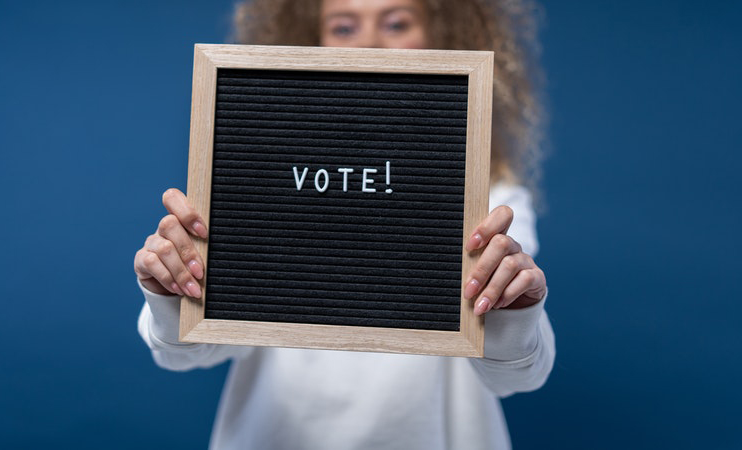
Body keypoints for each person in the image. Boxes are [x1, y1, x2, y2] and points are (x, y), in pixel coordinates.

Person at [135, 0, 554, 448]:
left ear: (443, 32)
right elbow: (188, 352)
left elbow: (518, 375)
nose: (371, 42)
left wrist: (511, 310)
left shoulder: (494, 198)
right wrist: (173, 290)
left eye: (396, 23)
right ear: (311, 39)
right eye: (343, 26)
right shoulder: (259, 179)